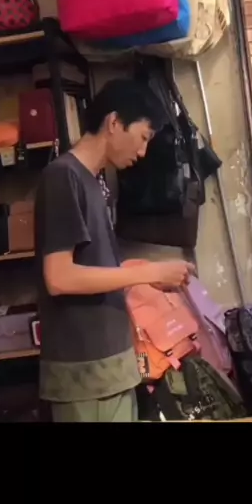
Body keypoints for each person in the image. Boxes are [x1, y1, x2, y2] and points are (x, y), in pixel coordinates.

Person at [35, 79, 195, 423]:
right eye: (143, 137)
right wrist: (149, 271)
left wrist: (146, 277)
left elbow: (93, 268)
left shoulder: (93, 181)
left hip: (110, 368)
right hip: (86, 373)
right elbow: (59, 277)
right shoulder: (63, 177)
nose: (143, 152)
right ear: (114, 122)